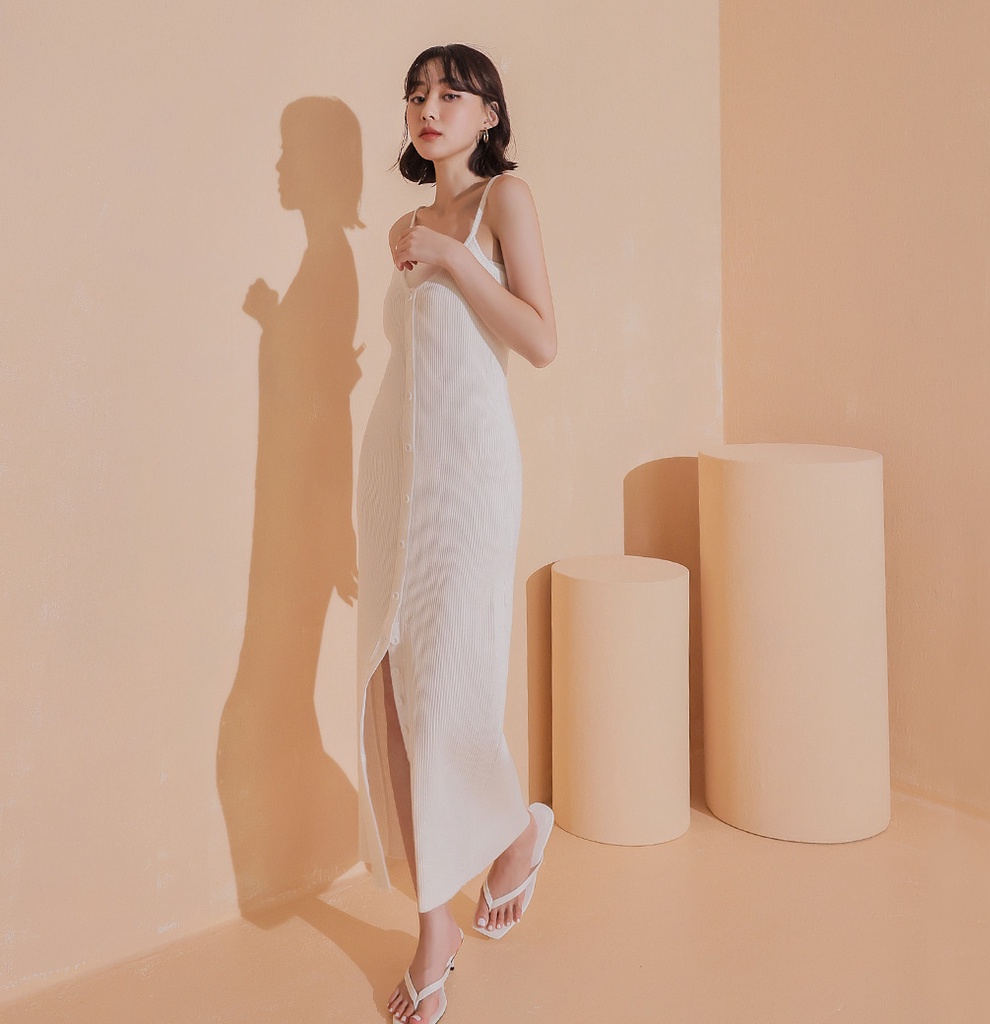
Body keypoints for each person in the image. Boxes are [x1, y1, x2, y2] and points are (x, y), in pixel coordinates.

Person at [354, 42, 557, 1024]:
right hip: (403, 487)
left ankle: (492, 861)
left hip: (471, 483)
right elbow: (416, 369)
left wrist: (451, 259)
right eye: (415, 95)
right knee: (395, 699)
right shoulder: (403, 226)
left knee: (449, 695)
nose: (427, 108)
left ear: (488, 114)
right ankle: (471, 880)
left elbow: (540, 339)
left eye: (448, 93)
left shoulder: (501, 200)